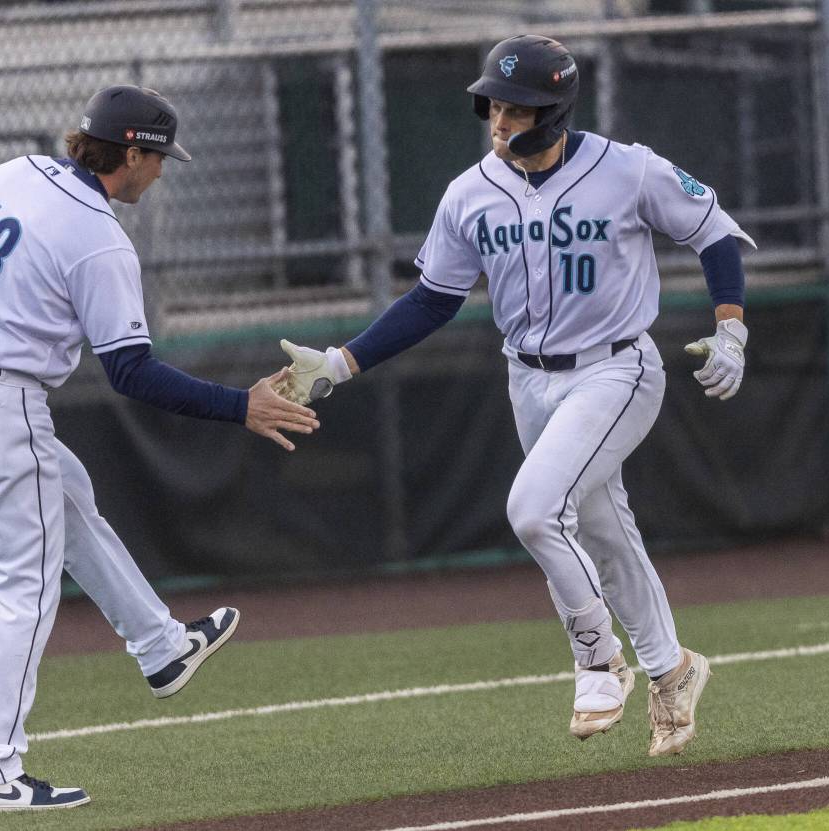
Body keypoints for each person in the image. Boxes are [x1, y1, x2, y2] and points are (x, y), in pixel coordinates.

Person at [274, 35, 754, 757]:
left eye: (517, 108)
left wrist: (731, 329)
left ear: (555, 111)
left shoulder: (626, 169)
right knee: (602, 531)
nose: (499, 121)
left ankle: (597, 658)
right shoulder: (470, 193)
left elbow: (713, 232)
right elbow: (431, 300)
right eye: (493, 105)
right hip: (526, 377)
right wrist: (340, 363)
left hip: (616, 369)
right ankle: (673, 670)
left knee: (533, 511)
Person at [0, 85, 320, 814]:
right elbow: (131, 372)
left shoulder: (16, 170)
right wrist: (240, 405)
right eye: (157, 157)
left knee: (69, 493)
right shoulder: (99, 237)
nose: (160, 173)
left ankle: (162, 647)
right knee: (26, 594)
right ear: (130, 151)